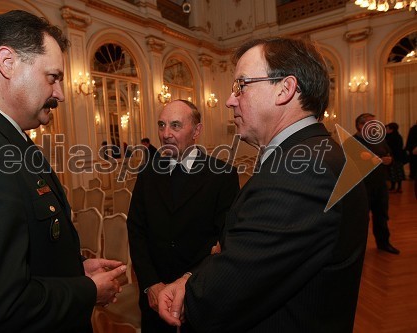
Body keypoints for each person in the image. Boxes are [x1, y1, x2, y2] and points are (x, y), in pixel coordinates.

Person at [0, 10, 126, 332]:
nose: (60, 94)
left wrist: (73, 270)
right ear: (7, 62)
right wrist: (87, 290)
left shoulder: (4, 139)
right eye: (52, 77)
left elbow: (18, 258)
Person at [157, 37, 369, 332]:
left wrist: (194, 283)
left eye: (240, 86)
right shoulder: (316, 155)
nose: (230, 100)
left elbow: (216, 299)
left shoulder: (304, 170)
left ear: (285, 89)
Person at [127, 99, 240, 332]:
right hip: (154, 299)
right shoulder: (147, 173)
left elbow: (225, 240)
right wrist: (151, 284)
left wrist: (190, 281)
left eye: (175, 126)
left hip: (200, 295)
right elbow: (136, 230)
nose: (166, 134)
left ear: (196, 131)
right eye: (161, 125)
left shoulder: (222, 175)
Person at [354, 114, 400, 255]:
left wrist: (389, 160)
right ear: (361, 126)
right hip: (362, 187)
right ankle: (356, 250)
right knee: (361, 220)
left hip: (380, 185)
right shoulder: (353, 141)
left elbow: (390, 155)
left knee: (381, 215)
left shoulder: (379, 140)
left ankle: (383, 243)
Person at [385, 122, 406, 193]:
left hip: (396, 157)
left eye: (387, 128)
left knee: (397, 172)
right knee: (392, 173)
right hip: (393, 157)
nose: (386, 130)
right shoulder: (387, 136)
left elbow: (398, 147)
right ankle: (393, 187)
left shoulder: (397, 137)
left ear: (392, 129)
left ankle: (399, 187)